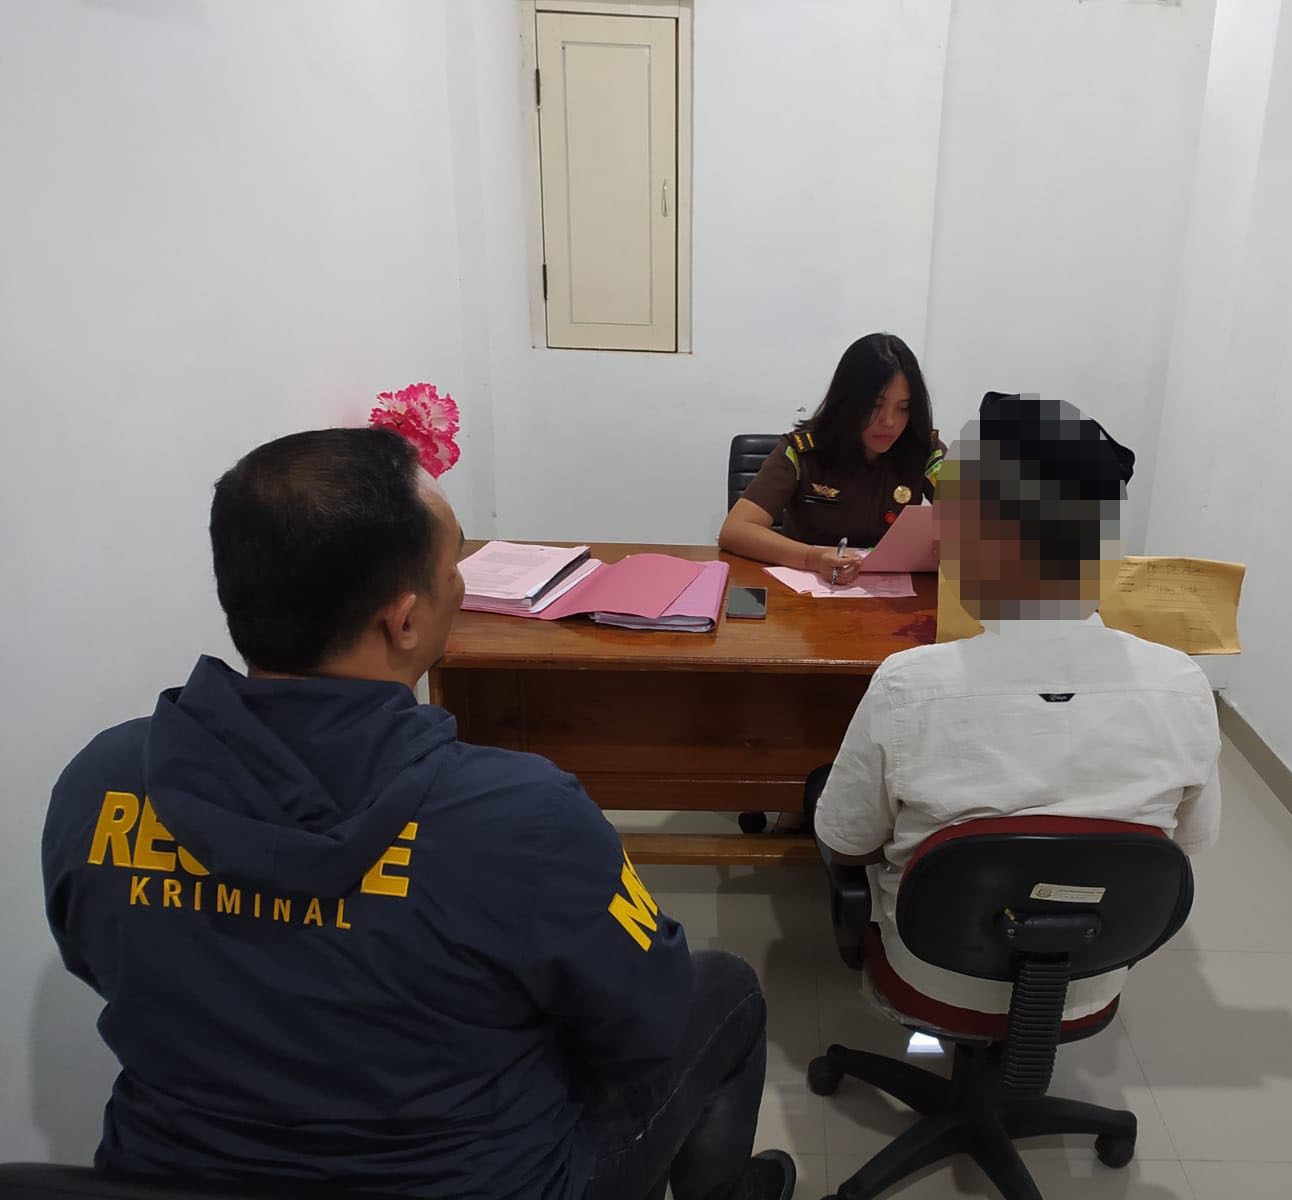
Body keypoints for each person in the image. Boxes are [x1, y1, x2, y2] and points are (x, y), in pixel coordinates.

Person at [41, 428, 795, 1200]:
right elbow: (648, 1022)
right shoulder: (525, 818)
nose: (462, 588)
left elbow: (98, 962)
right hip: (484, 1180)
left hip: (174, 1172)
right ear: (403, 621)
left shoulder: (103, 783)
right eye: (452, 568)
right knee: (723, 988)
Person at [810, 392, 1222, 1022]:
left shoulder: (908, 686)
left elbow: (848, 844)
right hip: (1089, 982)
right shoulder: (1182, 684)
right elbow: (1187, 843)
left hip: (934, 975)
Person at [719, 332, 944, 587]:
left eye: (903, 408)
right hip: (808, 595)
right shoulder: (803, 451)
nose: (889, 421)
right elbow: (735, 530)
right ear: (847, 402)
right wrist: (811, 558)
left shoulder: (924, 450)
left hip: (895, 599)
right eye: (875, 405)